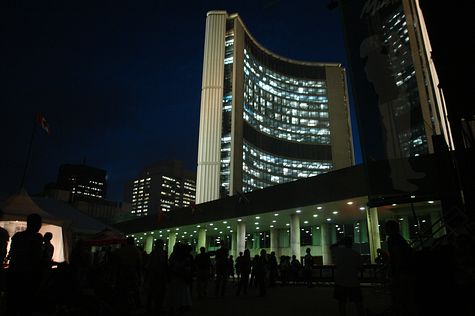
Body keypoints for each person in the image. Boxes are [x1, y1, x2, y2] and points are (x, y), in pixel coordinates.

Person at [6, 213, 44, 316]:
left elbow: (12, 254)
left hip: (15, 272)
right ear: (36, 224)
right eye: (39, 223)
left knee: (13, 301)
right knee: (26, 302)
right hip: (29, 274)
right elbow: (36, 257)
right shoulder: (37, 238)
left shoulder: (18, 236)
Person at [385, 220, 416, 316]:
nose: (384, 230)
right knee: (406, 295)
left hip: (401, 271)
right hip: (406, 270)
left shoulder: (392, 239)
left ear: (390, 228)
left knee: (398, 295)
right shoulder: (400, 238)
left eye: (386, 228)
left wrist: (395, 271)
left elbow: (397, 254)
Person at [331, 236, 365, 316]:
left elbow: (331, 247)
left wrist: (339, 243)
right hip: (353, 281)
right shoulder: (356, 254)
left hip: (340, 281)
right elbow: (360, 268)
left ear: (343, 243)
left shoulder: (338, 252)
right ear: (352, 244)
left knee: (342, 303)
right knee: (358, 302)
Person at [145, 239, 168, 313]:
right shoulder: (162, 253)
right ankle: (158, 307)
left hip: (153, 274)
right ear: (161, 245)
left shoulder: (152, 253)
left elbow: (148, 265)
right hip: (159, 274)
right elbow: (163, 264)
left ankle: (149, 306)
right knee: (159, 292)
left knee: (151, 291)